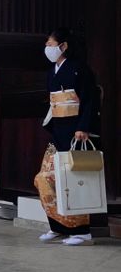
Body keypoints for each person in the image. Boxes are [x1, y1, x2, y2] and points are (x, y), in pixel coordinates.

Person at [34, 27, 100, 246]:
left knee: (75, 181)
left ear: (64, 46)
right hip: (58, 132)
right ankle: (58, 226)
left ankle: (82, 230)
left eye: (51, 45)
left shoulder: (79, 69)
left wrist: (83, 127)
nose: (47, 48)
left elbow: (90, 100)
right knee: (46, 178)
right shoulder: (52, 70)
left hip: (76, 133)